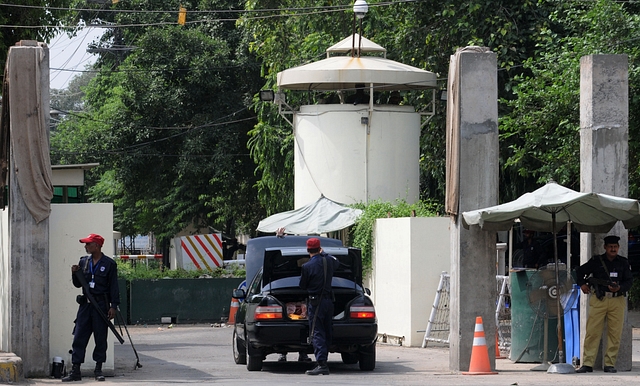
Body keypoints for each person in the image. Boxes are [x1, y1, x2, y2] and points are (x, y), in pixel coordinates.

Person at [63, 234, 120, 382]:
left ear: (97, 246)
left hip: (101, 305)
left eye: (89, 244)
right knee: (79, 336)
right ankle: (76, 371)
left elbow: (114, 286)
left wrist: (113, 306)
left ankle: (98, 369)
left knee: (100, 338)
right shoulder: (83, 262)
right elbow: (78, 284)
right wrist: (74, 273)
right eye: (86, 244)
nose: (86, 247)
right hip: (85, 305)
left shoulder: (109, 264)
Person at [575, 235, 632, 374]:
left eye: (615, 247)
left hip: (617, 300)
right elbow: (579, 271)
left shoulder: (623, 263)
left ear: (618, 248)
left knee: (614, 334)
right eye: (610, 246)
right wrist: (582, 284)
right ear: (605, 247)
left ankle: (609, 364)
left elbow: (629, 281)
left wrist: (619, 288)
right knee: (592, 332)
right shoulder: (596, 261)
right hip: (599, 299)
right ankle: (587, 364)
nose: (613, 249)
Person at [299, 238, 340, 375]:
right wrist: (324, 253)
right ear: (320, 248)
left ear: (307, 250)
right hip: (329, 302)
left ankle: (322, 364)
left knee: (317, 332)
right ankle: (324, 360)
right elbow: (337, 262)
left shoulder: (307, 267)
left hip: (315, 303)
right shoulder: (328, 261)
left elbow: (302, 286)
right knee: (327, 330)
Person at [273, 227, 312, 363]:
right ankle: (285, 353)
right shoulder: (287, 257)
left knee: (302, 325)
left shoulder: (305, 259)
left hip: (299, 292)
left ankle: (301, 353)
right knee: (296, 324)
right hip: (288, 291)